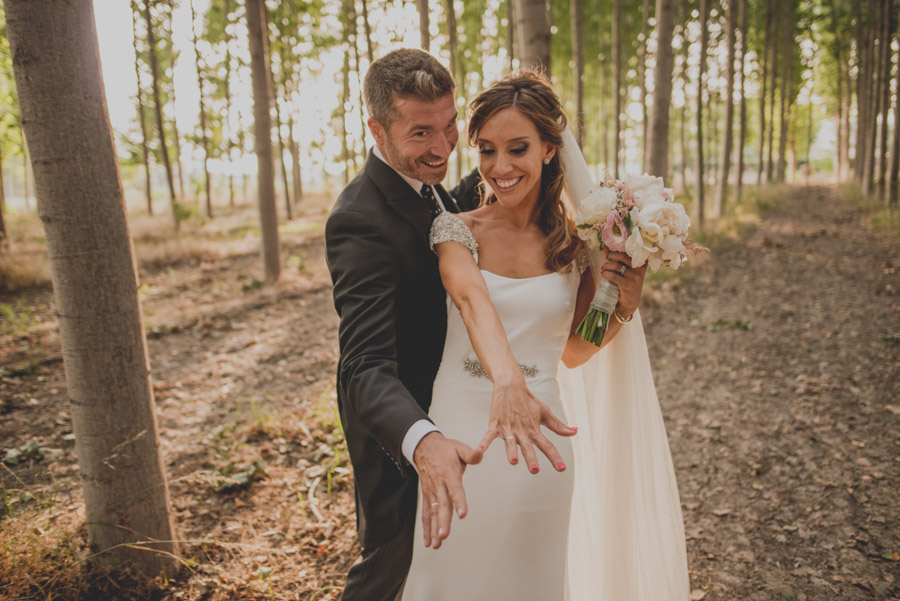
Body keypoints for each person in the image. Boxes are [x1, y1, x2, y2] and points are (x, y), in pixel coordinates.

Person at [401, 71, 690, 600]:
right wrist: (507, 383)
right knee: (447, 576)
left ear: (550, 150)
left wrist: (620, 306)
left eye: (517, 148)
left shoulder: (578, 248)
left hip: (541, 442)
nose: (500, 167)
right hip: (461, 431)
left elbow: (575, 352)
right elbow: (470, 299)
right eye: (486, 150)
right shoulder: (454, 228)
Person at [325, 50, 576, 601]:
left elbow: (497, 186)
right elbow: (362, 367)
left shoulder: (431, 184)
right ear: (377, 129)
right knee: (391, 571)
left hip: (467, 420)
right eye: (420, 133)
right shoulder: (359, 219)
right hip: (409, 435)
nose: (441, 148)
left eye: (449, 126)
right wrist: (424, 441)